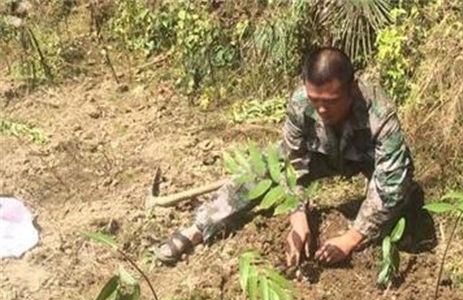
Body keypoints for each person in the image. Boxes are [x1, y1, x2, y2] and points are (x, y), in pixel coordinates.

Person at [155, 47, 434, 266]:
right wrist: (298, 217)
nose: (322, 110)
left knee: (404, 193)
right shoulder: (300, 102)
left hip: (365, 159)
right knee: (263, 167)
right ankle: (199, 227)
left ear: (352, 89)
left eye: (331, 101)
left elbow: (392, 179)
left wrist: (351, 238)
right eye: (316, 101)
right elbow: (291, 163)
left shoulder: (379, 112)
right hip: (321, 156)